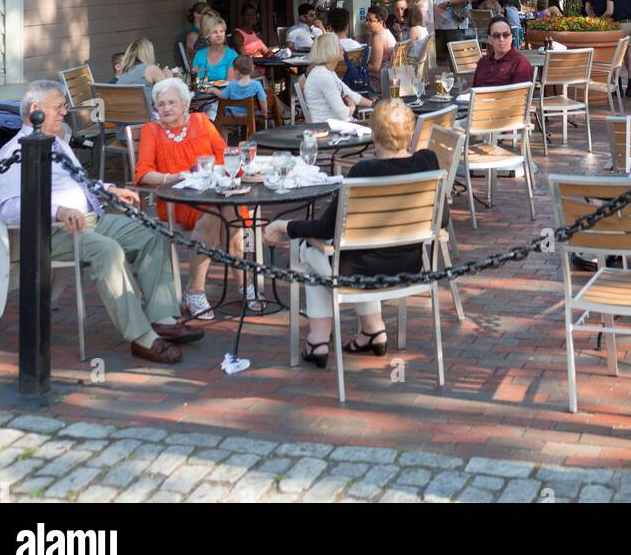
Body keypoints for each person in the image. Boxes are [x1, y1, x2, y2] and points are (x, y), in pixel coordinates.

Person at [0, 80, 201, 363]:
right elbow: (9, 208)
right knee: (108, 250)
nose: (64, 113)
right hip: (51, 232)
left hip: (90, 220)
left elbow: (76, 182)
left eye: (64, 106)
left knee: (151, 233)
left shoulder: (56, 142)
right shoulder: (15, 152)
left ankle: (163, 318)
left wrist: (108, 189)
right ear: (35, 109)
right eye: (59, 107)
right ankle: (141, 337)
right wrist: (57, 211)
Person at [263, 100, 441, 366]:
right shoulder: (428, 161)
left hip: (360, 272)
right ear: (410, 131)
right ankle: (372, 331)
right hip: (411, 267)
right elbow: (443, 220)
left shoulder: (364, 172)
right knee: (336, 253)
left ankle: (319, 341)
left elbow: (324, 229)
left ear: (373, 135)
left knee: (309, 250)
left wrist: (285, 227)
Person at [134, 78, 253, 319]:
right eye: (161, 104)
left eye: (171, 102)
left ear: (185, 104)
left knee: (226, 207)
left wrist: (224, 172)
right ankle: (201, 289)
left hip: (211, 193)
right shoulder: (152, 131)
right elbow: (143, 174)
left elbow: (225, 156)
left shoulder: (202, 122)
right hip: (177, 200)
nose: (166, 108)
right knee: (217, 210)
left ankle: (240, 285)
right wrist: (172, 177)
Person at [300, 32, 372, 123]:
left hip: (336, 124)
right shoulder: (323, 76)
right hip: (328, 127)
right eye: (339, 45)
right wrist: (352, 107)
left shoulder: (327, 71)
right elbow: (343, 113)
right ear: (331, 50)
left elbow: (350, 94)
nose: (343, 48)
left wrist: (375, 104)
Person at [473, 16, 533, 87]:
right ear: (489, 39)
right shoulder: (483, 62)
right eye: (496, 35)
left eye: (505, 35)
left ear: (511, 37)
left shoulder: (520, 63)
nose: (501, 39)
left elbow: (520, 96)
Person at [114, 38, 169, 108]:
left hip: (126, 116)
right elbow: (169, 94)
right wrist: (169, 79)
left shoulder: (123, 75)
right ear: (148, 53)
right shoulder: (151, 69)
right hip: (147, 116)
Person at [217, 54, 269, 124]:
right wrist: (264, 112)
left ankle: (224, 134)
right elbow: (263, 100)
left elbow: (224, 96)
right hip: (250, 114)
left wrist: (214, 90)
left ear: (236, 72)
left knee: (221, 118)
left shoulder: (232, 85)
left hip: (233, 115)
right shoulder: (256, 84)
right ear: (252, 69)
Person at [191, 14, 237, 83]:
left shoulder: (232, 55)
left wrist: (213, 90)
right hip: (201, 92)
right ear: (207, 35)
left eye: (222, 31)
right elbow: (193, 80)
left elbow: (231, 83)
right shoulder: (199, 54)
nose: (219, 35)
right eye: (214, 32)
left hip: (223, 92)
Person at [365, 4, 397, 90]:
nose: (366, 23)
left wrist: (358, 64)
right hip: (390, 78)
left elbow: (375, 68)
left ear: (380, 22)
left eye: (371, 21)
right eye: (366, 19)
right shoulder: (386, 32)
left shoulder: (378, 38)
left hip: (380, 82)